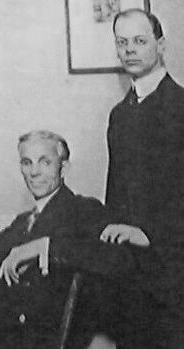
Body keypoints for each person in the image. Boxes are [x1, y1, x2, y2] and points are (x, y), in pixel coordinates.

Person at [0, 130, 142, 348]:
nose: (34, 172)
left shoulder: (84, 211)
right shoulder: (22, 223)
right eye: (27, 163)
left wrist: (46, 247)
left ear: (63, 168)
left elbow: (123, 260)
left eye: (45, 162)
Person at [101, 9, 184, 347]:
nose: (130, 50)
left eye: (139, 41)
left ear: (160, 45)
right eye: (123, 43)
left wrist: (150, 235)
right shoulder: (120, 114)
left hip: (173, 274)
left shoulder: (180, 108)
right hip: (128, 276)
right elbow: (115, 194)